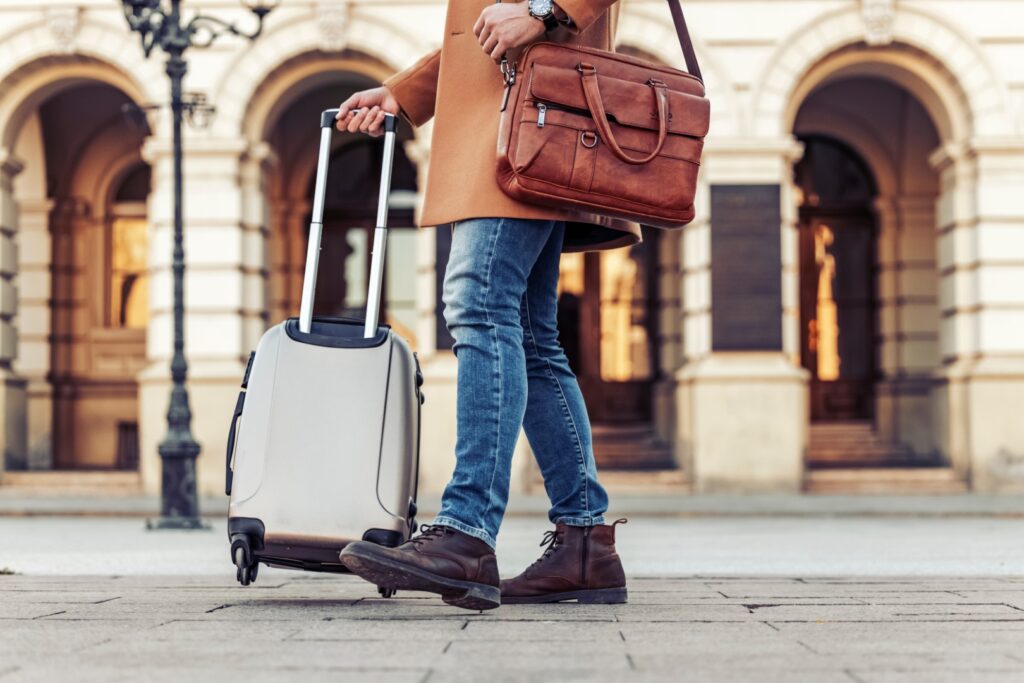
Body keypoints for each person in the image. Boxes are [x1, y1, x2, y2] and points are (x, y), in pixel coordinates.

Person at [336, 0, 638, 611]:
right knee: (529, 336)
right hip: (518, 111)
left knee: (478, 305)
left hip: (535, 112)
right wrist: (406, 94)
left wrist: (545, 8)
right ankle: (585, 544)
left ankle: (467, 532)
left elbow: (514, 17)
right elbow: (481, 28)